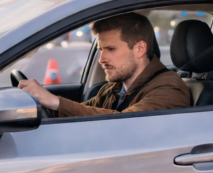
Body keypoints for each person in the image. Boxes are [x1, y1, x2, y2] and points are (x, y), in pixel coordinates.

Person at [18, 12, 191, 117]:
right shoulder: (113, 89)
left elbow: (127, 124)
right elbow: (83, 114)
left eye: (111, 49)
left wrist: (55, 102)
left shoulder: (170, 89)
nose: (102, 59)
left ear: (139, 49)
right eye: (101, 49)